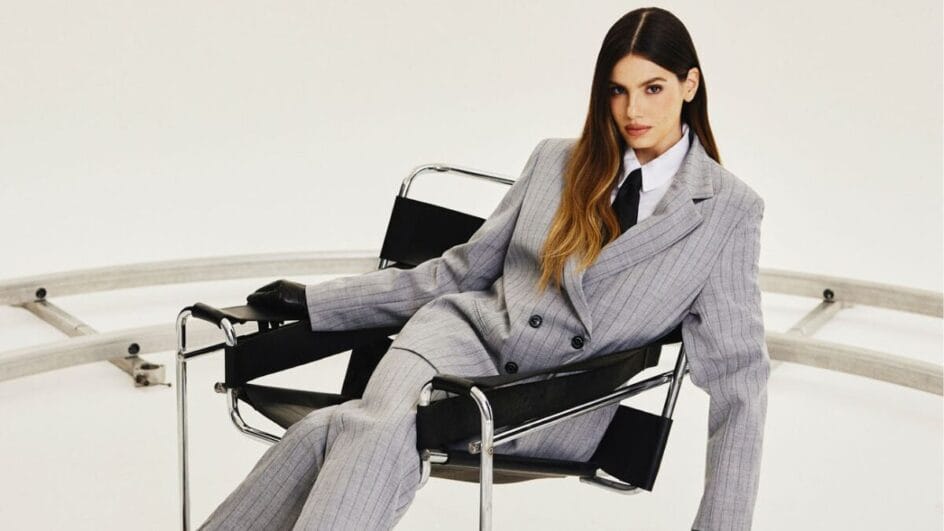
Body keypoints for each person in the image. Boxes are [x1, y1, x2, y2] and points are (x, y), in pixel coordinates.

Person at [200, 6, 769, 531]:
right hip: (455, 343)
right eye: (617, 90)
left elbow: (739, 378)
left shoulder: (727, 211)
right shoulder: (557, 160)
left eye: (653, 88)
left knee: (348, 427)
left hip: (554, 402)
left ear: (690, 85)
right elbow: (458, 274)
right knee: (373, 426)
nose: (633, 111)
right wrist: (320, 301)